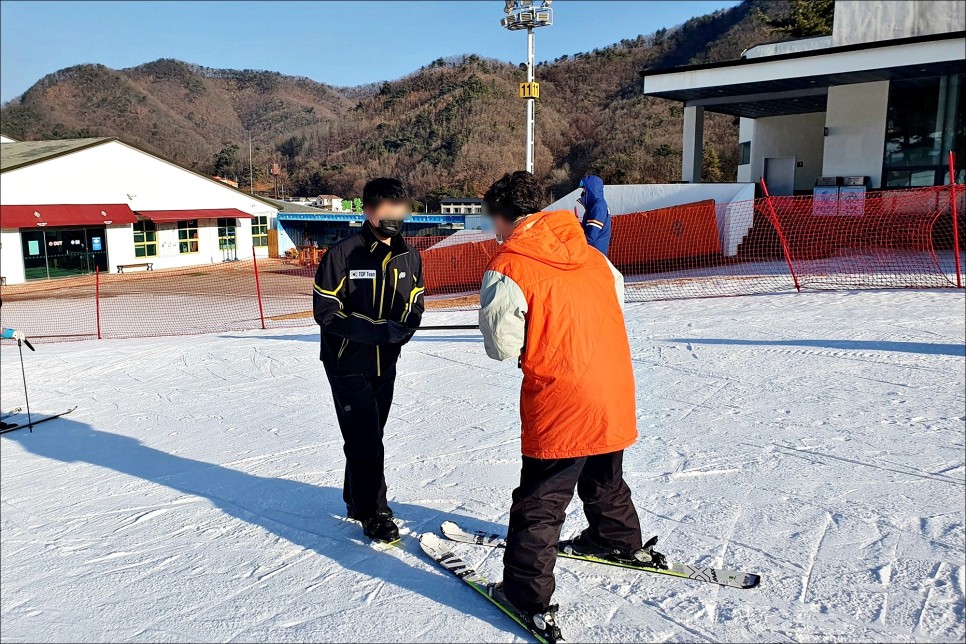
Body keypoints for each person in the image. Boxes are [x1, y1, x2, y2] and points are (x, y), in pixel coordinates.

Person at [478, 171, 659, 642]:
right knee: (603, 471)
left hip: (562, 394)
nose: (492, 230)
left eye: (492, 219)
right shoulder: (592, 254)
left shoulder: (510, 263)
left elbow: (501, 345)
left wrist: (527, 341)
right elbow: (611, 301)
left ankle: (524, 591)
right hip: (611, 386)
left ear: (505, 216)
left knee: (541, 498)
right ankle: (616, 538)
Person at [312, 177, 425, 543]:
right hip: (347, 364)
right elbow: (326, 311)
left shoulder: (410, 255)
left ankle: (354, 498)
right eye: (385, 207)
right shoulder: (343, 254)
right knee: (365, 439)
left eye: (399, 206)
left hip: (385, 363)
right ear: (368, 211)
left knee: (370, 434)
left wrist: (403, 331)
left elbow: (416, 303)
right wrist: (379, 331)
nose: (393, 214)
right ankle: (374, 512)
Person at [578, 175, 611, 255]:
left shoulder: (598, 207)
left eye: (584, 189)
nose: (582, 193)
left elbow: (592, 233)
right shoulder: (594, 206)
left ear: (590, 190)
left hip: (595, 252)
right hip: (594, 250)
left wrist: (579, 247)